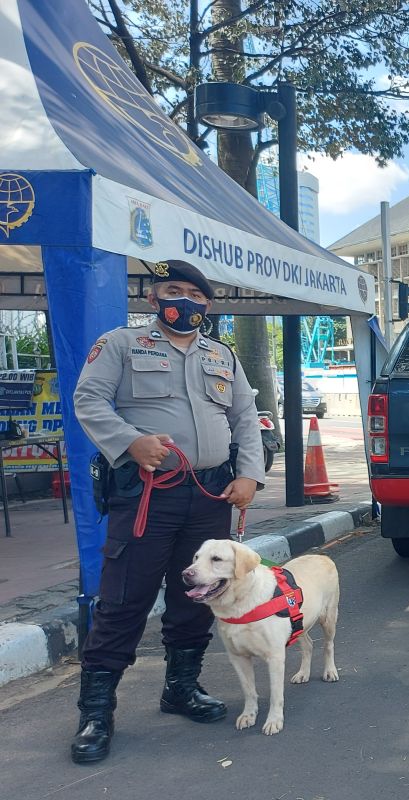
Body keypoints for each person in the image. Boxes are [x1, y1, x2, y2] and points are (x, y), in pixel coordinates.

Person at [68, 259, 265, 763]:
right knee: (124, 599)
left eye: (195, 295)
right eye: (173, 290)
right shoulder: (122, 344)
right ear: (155, 299)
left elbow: (245, 416)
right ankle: (96, 714)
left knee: (196, 595)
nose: (185, 301)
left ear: (207, 305)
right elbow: (88, 400)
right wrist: (130, 442)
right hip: (147, 494)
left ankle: (180, 688)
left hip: (210, 496)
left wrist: (249, 474)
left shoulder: (222, 355)